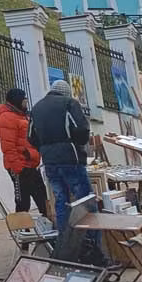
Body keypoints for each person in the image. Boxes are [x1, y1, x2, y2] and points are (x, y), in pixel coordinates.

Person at [28, 79, 92, 232]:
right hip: (71, 159)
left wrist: (45, 148)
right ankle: (90, 240)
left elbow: (30, 137)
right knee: (84, 200)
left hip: (49, 162)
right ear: (66, 93)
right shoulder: (69, 103)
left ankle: (65, 239)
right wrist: (78, 144)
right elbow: (82, 130)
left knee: (61, 199)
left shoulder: (36, 108)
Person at [0, 88, 49, 215]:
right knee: (23, 201)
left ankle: (49, 224)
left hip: (30, 164)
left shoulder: (21, 115)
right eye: (24, 99)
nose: (26, 102)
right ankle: (20, 229)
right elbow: (8, 147)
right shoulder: (7, 118)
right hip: (20, 166)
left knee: (42, 197)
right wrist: (18, 168)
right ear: (17, 100)